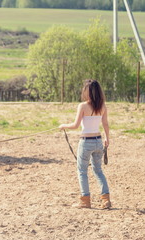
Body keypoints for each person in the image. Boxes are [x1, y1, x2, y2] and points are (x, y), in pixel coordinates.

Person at [59, 79, 111, 209]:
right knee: (98, 170)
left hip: (86, 142)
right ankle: (106, 199)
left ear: (87, 92)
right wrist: (107, 138)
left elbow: (76, 125)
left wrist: (63, 125)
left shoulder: (82, 106)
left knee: (82, 171)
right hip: (98, 141)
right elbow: (105, 124)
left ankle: (85, 200)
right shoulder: (103, 106)